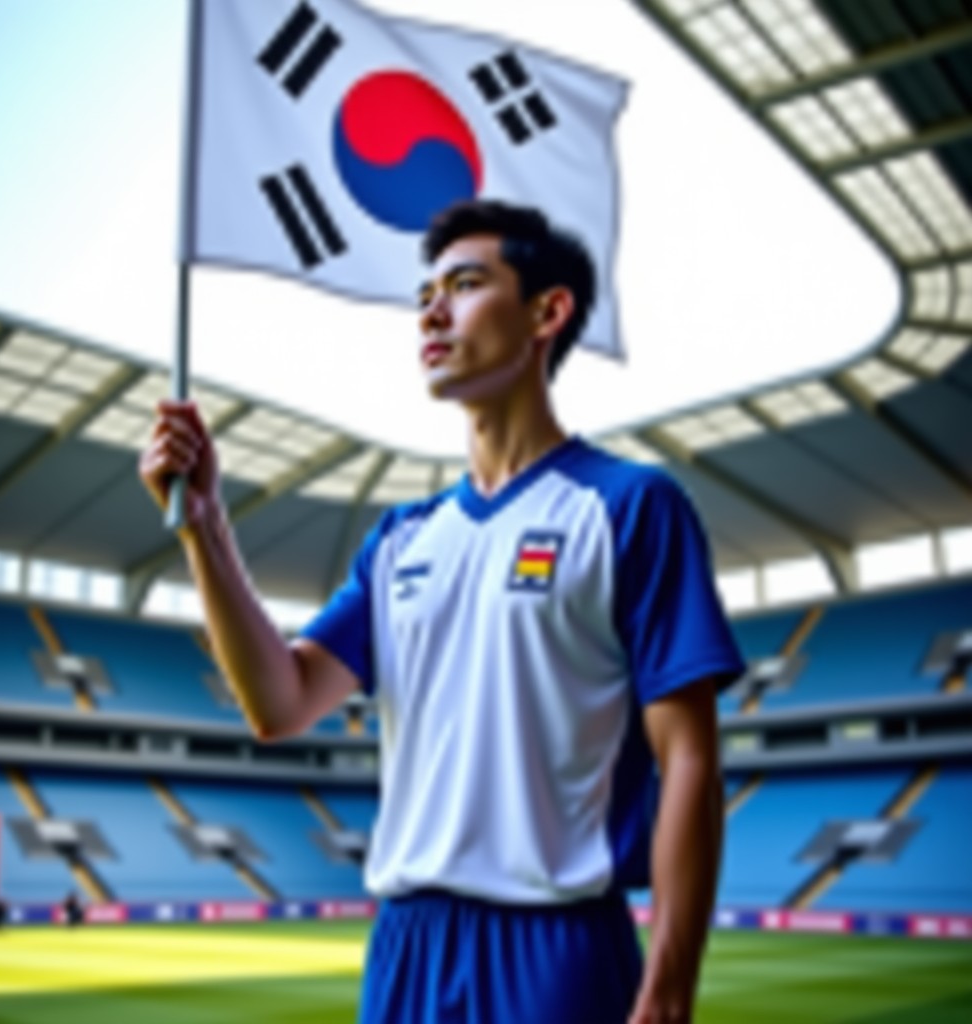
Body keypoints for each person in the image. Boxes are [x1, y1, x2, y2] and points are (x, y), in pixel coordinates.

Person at [139, 199, 744, 1024]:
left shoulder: (630, 506)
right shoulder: (400, 541)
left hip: (557, 947)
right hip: (406, 948)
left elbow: (691, 763)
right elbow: (278, 702)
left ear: (547, 312)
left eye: (464, 284)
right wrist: (206, 525)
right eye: (426, 292)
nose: (431, 309)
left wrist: (670, 989)